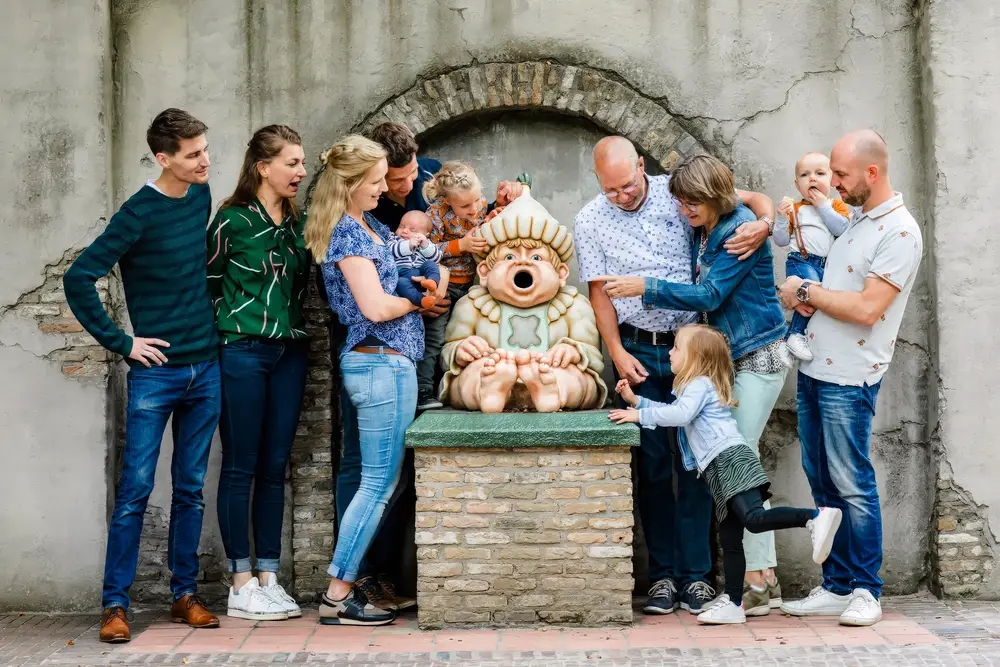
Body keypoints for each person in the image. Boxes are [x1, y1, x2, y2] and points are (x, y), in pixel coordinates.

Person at [576, 137, 774, 616]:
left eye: (627, 185)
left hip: (694, 348)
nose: (621, 196)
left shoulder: (678, 193)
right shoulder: (589, 220)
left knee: (697, 462)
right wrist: (616, 352)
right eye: (610, 189)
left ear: (641, 166)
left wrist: (765, 224)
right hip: (637, 349)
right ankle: (662, 577)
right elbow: (599, 294)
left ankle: (697, 577)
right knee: (652, 466)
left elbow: (749, 199)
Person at [64, 109, 221, 643]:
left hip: (207, 368)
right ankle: (115, 606)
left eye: (205, 149)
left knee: (190, 489)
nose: (205, 160)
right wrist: (123, 342)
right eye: (194, 154)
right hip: (156, 376)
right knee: (135, 490)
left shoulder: (199, 195)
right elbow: (79, 278)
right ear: (164, 158)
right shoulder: (136, 213)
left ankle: (184, 595)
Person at [777, 130, 922, 627]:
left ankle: (866, 590)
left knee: (853, 483)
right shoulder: (856, 219)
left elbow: (866, 309)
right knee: (823, 479)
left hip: (850, 378)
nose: (832, 183)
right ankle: (837, 586)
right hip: (815, 366)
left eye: (840, 174)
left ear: (871, 173)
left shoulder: (899, 232)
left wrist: (804, 291)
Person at [609, 324, 843, 625]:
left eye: (676, 348)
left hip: (729, 459)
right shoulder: (692, 386)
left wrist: (638, 414)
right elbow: (673, 410)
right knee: (730, 538)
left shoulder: (699, 385)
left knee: (753, 519)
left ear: (695, 357)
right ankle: (733, 603)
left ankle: (814, 517)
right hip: (717, 467)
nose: (669, 352)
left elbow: (678, 415)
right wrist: (635, 400)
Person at [305, 135, 441, 625]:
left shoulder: (370, 225)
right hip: (378, 362)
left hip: (388, 362)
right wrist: (419, 303)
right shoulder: (347, 232)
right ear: (350, 183)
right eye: (377, 180)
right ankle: (338, 595)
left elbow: (409, 272)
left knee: (381, 481)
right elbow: (376, 307)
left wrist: (426, 281)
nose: (384, 189)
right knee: (377, 483)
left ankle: (343, 590)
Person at [207, 125, 310, 621]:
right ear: (263, 167)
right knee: (240, 464)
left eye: (302, 162)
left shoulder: (298, 223)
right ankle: (240, 582)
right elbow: (208, 283)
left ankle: (268, 577)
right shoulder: (231, 220)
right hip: (242, 350)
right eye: (292, 163)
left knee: (274, 465)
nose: (301, 171)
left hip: (289, 352)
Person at [416, 162, 531, 410]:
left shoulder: (479, 206)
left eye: (477, 200)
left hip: (470, 287)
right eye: (465, 206)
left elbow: (485, 224)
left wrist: (494, 213)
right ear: (447, 201)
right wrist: (461, 245)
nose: (474, 208)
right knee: (435, 338)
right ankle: (423, 390)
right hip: (444, 288)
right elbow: (424, 251)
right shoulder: (435, 215)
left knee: (466, 336)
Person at [773, 152, 851, 361]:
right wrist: (781, 218)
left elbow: (841, 229)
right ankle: (796, 335)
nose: (812, 179)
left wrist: (822, 206)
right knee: (811, 293)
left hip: (825, 265)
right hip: (800, 260)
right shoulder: (795, 209)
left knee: (814, 303)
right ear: (797, 185)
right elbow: (781, 240)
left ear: (831, 180)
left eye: (820, 173)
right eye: (805, 175)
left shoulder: (835, 206)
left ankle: (787, 342)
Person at [390, 210, 443, 309]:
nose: (405, 231)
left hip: (422, 274)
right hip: (404, 275)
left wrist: (425, 245)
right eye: (401, 226)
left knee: (430, 264)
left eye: (412, 230)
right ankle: (421, 300)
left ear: (425, 235)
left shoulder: (427, 243)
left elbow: (437, 258)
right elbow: (390, 250)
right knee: (400, 283)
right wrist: (408, 245)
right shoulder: (394, 239)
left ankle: (432, 281)